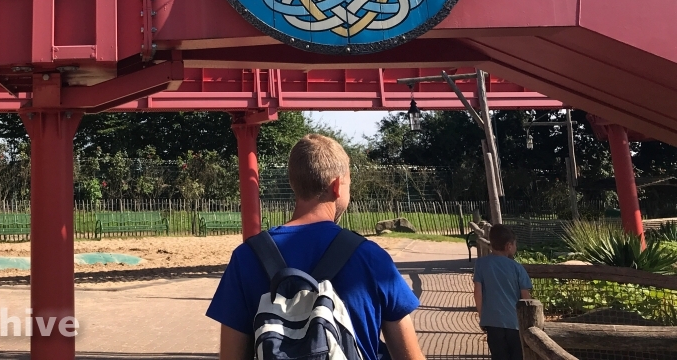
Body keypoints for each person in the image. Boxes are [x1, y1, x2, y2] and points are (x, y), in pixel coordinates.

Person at [207, 134, 426, 360]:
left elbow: (231, 355)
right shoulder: (371, 257)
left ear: (293, 183)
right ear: (337, 186)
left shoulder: (246, 257)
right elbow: (409, 355)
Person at [472, 223, 532, 360]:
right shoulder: (517, 268)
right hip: (515, 322)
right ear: (509, 246)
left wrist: (482, 316)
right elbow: (525, 297)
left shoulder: (481, 264)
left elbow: (478, 293)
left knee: (498, 355)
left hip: (492, 321)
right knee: (517, 355)